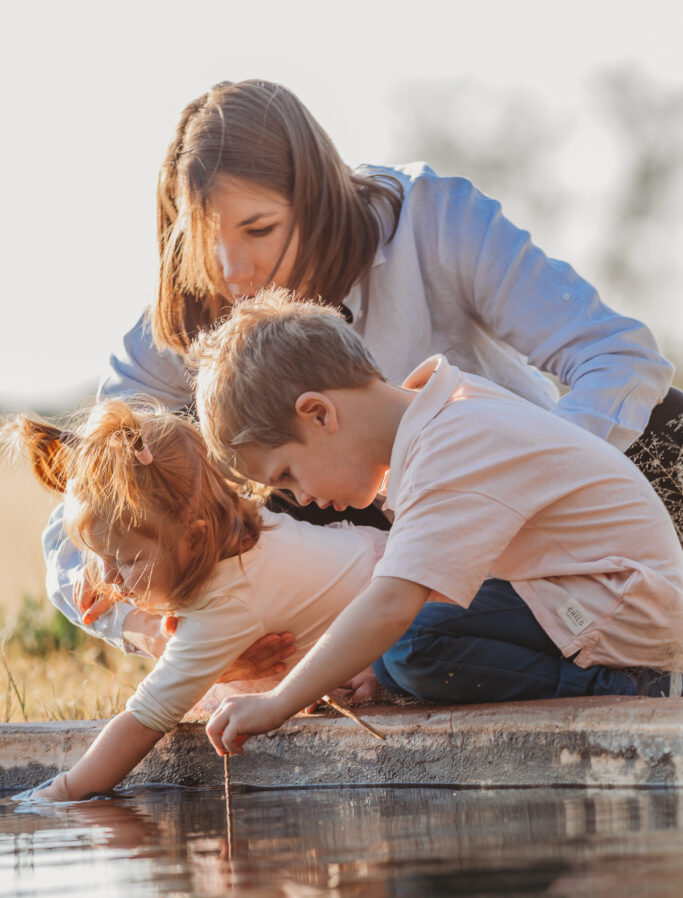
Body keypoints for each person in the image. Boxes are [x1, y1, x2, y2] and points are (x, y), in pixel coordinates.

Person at [42, 79, 682, 665]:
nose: (234, 271)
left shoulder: (434, 218)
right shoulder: (186, 313)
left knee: (671, 427)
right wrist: (163, 634)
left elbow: (618, 355)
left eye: (260, 229)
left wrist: (522, 492)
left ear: (315, 201)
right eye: (208, 244)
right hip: (352, 539)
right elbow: (80, 511)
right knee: (287, 494)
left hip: (517, 511)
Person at [188, 290, 683, 756]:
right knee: (396, 654)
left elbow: (392, 606)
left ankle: (627, 689)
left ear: (319, 413)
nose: (304, 498)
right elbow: (445, 587)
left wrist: (279, 701)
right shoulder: (443, 417)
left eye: (289, 475)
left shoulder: (452, 446)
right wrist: (375, 666)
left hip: (622, 606)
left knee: (410, 646)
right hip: (582, 595)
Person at [5, 400, 387, 801]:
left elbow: (144, 719)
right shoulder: (242, 524)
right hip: (373, 558)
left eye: (127, 560)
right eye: (99, 558)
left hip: (403, 613)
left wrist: (55, 794)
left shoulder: (227, 606)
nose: (108, 579)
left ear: (195, 538)